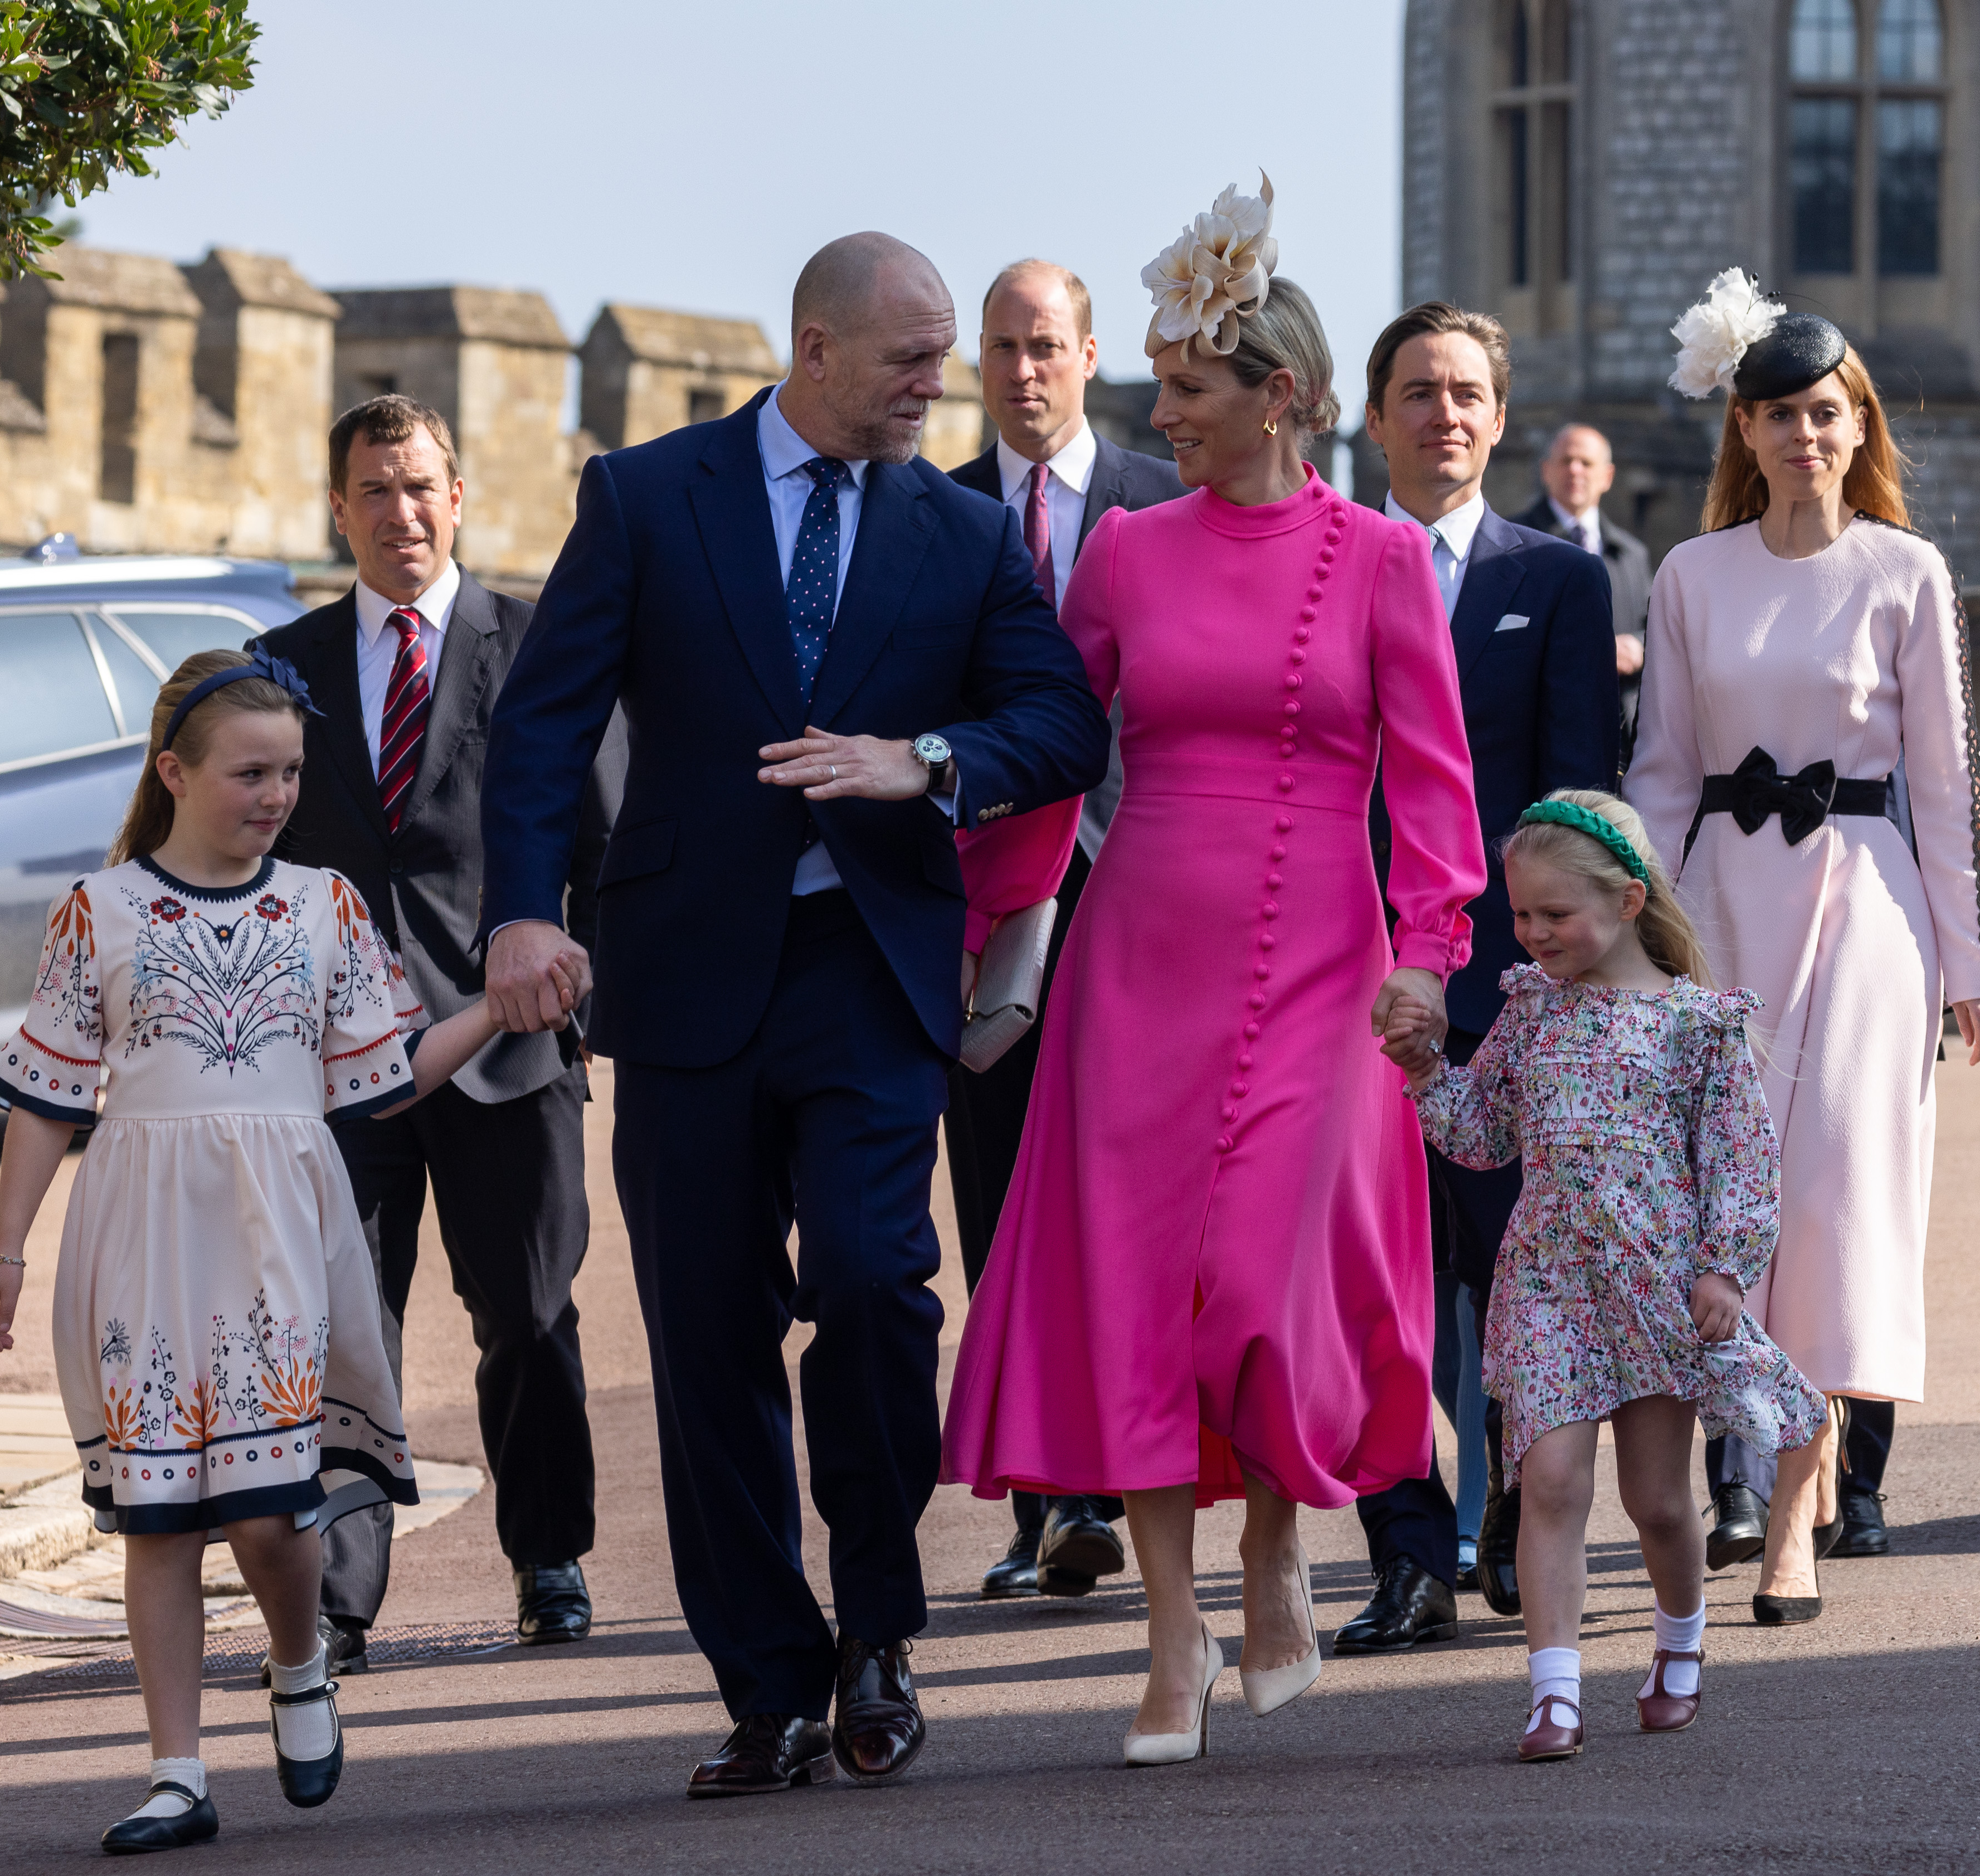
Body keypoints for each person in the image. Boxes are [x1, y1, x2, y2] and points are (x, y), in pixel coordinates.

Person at [478, 233, 1110, 1799]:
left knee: (883, 1284)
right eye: (908, 358)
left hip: (870, 970)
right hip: (685, 970)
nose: (935, 386)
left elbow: (1061, 719)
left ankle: (879, 1634)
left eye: (944, 356)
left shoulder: (959, 532)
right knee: (705, 1332)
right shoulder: (646, 496)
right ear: (813, 349)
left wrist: (932, 759)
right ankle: (767, 1680)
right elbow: (544, 722)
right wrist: (517, 911)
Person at [939, 176, 1485, 1766]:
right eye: (1159, 385)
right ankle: (1174, 1629)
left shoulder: (1384, 560)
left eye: (1186, 388)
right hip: (1138, 961)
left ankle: (1273, 1557)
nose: (1154, 411)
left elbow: (1438, 793)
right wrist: (977, 920)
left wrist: (1434, 961)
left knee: (1263, 1283)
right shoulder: (1119, 555)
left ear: (1279, 398)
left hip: (1327, 961)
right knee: (1139, 1298)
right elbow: (1051, 759)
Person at [0, 651, 544, 1853]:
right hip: (142, 1231)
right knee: (160, 1516)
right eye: (250, 772)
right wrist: (7, 1245)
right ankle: (176, 1773)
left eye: (288, 770)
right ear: (175, 773)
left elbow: (384, 1082)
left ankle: (296, 1663)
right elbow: (46, 1096)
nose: (276, 792)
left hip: (280, 1232)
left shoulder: (324, 905)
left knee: (272, 1516)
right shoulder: (100, 910)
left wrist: (490, 1011)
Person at [1624, 271, 1980, 1623]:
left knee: (1838, 1195)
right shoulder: (1687, 574)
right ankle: (1768, 1460)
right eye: (1781, 412)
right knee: (1733, 1200)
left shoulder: (1907, 571)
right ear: (1743, 426)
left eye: (1830, 412)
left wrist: (1974, 961)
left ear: (1862, 426)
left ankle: (1796, 1511)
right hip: (1723, 905)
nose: (1806, 434)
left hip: (1868, 905)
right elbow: (1663, 776)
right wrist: (1631, 949)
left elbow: (1949, 782)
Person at [254, 395, 615, 1670]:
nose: (400, 512)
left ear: (457, 495)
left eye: (421, 487)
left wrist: (581, 994)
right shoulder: (280, 666)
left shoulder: (538, 648)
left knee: (526, 1312)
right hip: (331, 1066)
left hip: (508, 1047)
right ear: (338, 509)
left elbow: (603, 842)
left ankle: (551, 1557)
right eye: (374, 491)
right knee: (345, 1324)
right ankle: (341, 1597)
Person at [1384, 791, 1827, 1758]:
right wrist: (1424, 1073)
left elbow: (1743, 1166)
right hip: (1547, 1285)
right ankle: (1554, 1693)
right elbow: (1479, 1133)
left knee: (1658, 1503)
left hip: (1655, 1290)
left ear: (1628, 902)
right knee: (1545, 1481)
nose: (1534, 933)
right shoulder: (1526, 1011)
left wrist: (1722, 1271)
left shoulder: (1695, 1026)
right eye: (1521, 916)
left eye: (1555, 914)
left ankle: (1678, 1646)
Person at [1336, 300, 1618, 1653]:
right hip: (1346, 980)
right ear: (1373, 414)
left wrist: (1557, 973)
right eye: (1415, 389)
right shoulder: (1323, 564)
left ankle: (1514, 1490)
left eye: (1465, 392)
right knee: (1371, 1279)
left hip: (1504, 990)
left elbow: (1575, 793)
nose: (1441, 411)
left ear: (1498, 419)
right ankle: (1403, 1553)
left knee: (1504, 1265)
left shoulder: (1554, 582)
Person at [945, 259, 1186, 1603]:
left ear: (1093, 354)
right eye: (1002, 348)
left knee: (1135, 1193)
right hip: (983, 903)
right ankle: (1047, 1500)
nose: (1024, 371)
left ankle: (1121, 1476)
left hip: (1140, 885)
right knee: (1000, 1193)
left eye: (1046, 345)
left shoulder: (1168, 498)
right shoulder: (934, 514)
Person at [1514, 424, 1651, 755]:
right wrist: (1594, 652)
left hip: (1621, 737)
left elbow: (1657, 628)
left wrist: (1638, 646)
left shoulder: (1632, 554)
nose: (1575, 470)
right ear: (1546, 471)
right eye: (1566, 461)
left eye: (1586, 463)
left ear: (1607, 476)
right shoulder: (1510, 545)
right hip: (1537, 732)